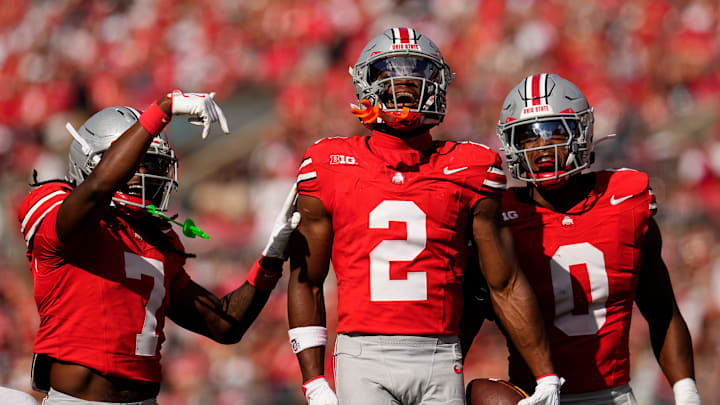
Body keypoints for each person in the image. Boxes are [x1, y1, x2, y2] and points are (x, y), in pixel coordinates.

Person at [287, 27, 561, 405]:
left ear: (438, 85)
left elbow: (505, 282)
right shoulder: (329, 163)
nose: (404, 85)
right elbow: (307, 279)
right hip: (362, 355)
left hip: (439, 352)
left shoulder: (471, 167)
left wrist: (546, 375)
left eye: (417, 73)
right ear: (366, 83)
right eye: (391, 74)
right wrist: (313, 381)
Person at [17, 90, 299, 404]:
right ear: (97, 160)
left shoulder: (155, 237)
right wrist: (162, 110)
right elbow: (96, 189)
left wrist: (272, 256)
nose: (150, 175)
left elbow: (224, 323)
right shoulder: (52, 201)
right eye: (140, 162)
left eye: (155, 164)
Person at [491, 73, 702, 404]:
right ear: (511, 144)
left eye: (554, 131)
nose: (542, 146)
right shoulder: (500, 217)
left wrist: (686, 389)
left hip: (613, 395)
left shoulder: (625, 200)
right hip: (538, 397)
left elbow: (661, 308)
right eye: (529, 136)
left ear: (581, 132)